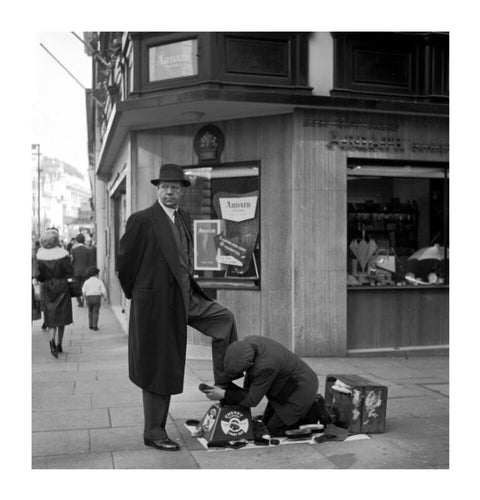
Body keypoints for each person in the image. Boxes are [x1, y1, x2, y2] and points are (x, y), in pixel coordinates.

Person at [116, 163, 238, 452]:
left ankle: (223, 389)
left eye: (175, 187)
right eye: (165, 187)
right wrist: (144, 297)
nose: (169, 192)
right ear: (158, 189)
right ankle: (154, 431)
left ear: (182, 191)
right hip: (157, 305)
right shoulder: (142, 219)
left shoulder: (183, 217)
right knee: (160, 365)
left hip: (187, 297)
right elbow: (124, 264)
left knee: (224, 319)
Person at [204, 335, 329, 437]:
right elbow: (248, 390)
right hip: (285, 388)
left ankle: (313, 410)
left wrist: (223, 394)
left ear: (251, 364)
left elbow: (251, 400)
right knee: (264, 423)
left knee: (274, 430)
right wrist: (226, 390)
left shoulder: (265, 366)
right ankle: (304, 410)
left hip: (301, 389)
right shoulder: (248, 345)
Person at [36, 229, 74, 358]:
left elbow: (39, 276)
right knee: (62, 315)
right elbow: (70, 271)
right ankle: (59, 344)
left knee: (51, 315)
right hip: (62, 286)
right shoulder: (63, 255)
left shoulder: (40, 256)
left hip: (48, 287)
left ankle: (51, 340)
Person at [70, 233, 94, 306]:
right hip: (86, 272)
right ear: (84, 240)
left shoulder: (73, 250)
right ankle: (85, 299)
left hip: (76, 272)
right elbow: (91, 262)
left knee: (77, 287)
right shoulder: (89, 250)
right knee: (85, 286)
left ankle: (79, 302)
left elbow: (71, 261)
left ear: (76, 240)